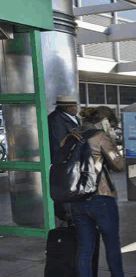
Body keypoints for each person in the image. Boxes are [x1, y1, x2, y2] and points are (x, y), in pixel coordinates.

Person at [70, 106, 136, 277]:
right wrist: (111, 138)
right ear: (105, 121)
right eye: (111, 124)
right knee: (111, 243)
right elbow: (118, 164)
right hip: (100, 197)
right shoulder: (100, 136)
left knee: (85, 248)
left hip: (76, 199)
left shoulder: (71, 136)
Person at [48, 95, 81, 225]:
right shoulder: (55, 119)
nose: (76, 109)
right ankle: (66, 216)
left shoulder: (73, 118)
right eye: (75, 106)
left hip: (73, 159)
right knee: (66, 188)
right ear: (68, 107)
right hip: (64, 161)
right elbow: (58, 144)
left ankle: (71, 214)